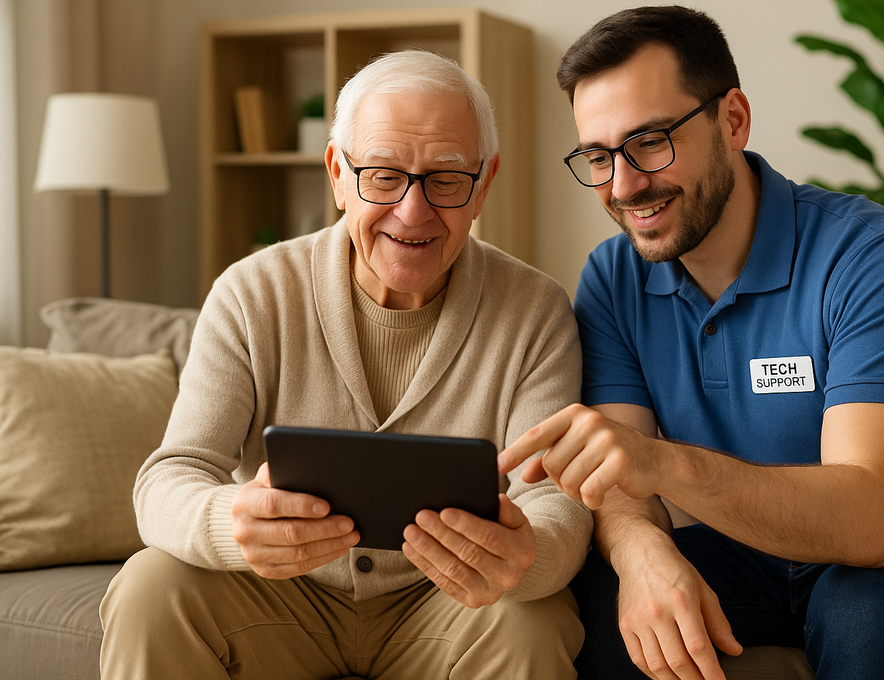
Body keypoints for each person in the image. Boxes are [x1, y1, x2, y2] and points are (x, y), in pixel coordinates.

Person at [499, 6, 884, 680]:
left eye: (650, 141)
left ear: (732, 120)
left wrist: (661, 464)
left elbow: (866, 524)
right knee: (602, 601)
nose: (623, 186)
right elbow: (620, 485)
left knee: (864, 612)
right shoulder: (614, 278)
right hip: (746, 554)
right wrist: (645, 554)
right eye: (598, 155)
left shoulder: (872, 255)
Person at [100, 50, 592, 680]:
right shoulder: (251, 293)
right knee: (149, 586)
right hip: (279, 597)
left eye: (445, 179)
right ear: (337, 172)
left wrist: (529, 553)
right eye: (383, 175)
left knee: (536, 616)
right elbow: (171, 475)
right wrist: (230, 522)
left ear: (483, 184)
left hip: (449, 605)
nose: (412, 213)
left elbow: (554, 499)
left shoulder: (536, 311)